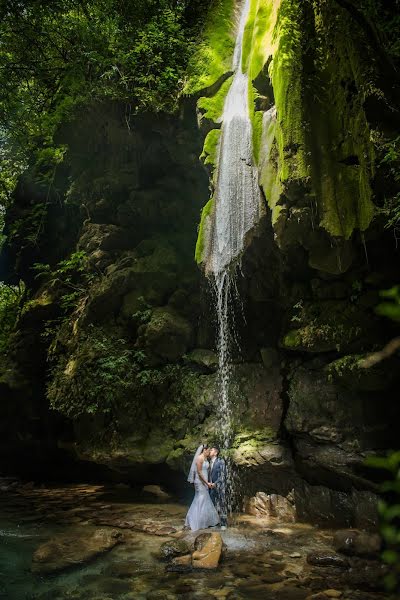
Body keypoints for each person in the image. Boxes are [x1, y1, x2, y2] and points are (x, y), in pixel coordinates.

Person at [185, 444, 220, 531]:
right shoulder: (199, 458)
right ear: (204, 450)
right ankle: (195, 520)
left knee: (204, 499)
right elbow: (199, 473)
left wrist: (209, 482)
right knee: (200, 499)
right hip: (200, 481)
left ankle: (203, 521)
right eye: (208, 450)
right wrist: (206, 483)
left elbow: (207, 471)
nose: (209, 452)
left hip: (205, 481)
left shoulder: (205, 458)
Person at [208, 445, 228, 529]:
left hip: (219, 487)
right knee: (212, 505)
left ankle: (223, 524)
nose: (209, 451)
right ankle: (214, 523)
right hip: (211, 487)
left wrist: (215, 483)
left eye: (211, 450)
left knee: (222, 504)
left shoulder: (220, 461)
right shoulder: (208, 462)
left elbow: (223, 475)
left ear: (216, 453)